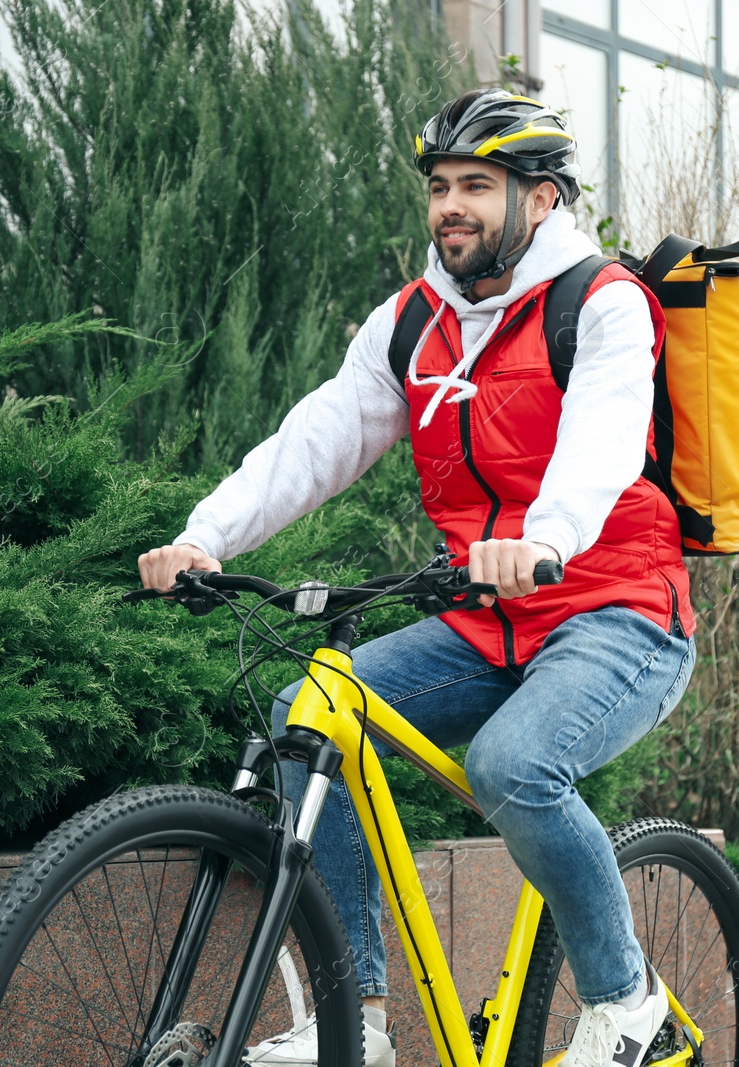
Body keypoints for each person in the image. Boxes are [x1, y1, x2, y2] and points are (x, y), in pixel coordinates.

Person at [137, 88, 697, 1067]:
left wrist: (546, 536)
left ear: (543, 199)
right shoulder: (411, 322)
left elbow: (603, 442)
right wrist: (206, 533)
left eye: (477, 185)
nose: (450, 205)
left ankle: (627, 1002)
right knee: (309, 710)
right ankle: (352, 1017)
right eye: (439, 186)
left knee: (514, 765)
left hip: (616, 609)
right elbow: (313, 441)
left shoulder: (602, 301)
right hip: (482, 616)